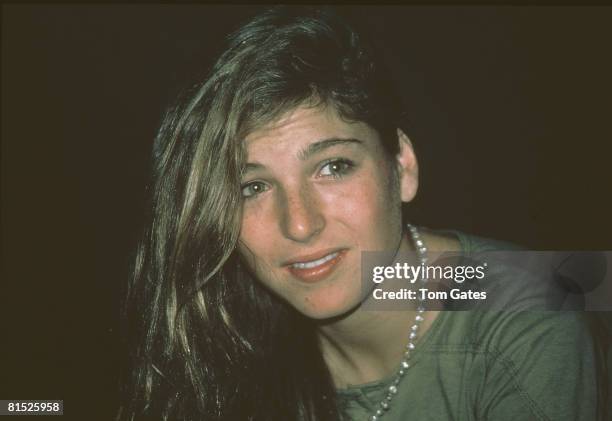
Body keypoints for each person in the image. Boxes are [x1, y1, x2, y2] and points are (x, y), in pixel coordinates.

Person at [117, 6, 606, 421]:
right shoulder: (225, 340)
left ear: (403, 166)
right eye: (253, 186)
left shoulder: (532, 306)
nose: (301, 225)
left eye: (334, 166)